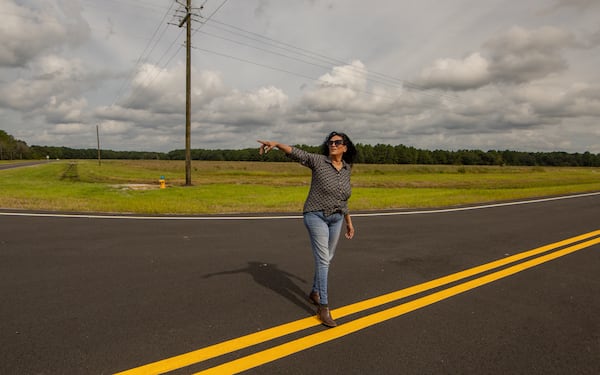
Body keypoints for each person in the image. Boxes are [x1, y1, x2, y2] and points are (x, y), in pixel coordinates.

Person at [257, 132, 357, 327]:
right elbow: (297, 153)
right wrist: (277, 144)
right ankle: (324, 307)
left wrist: (348, 221)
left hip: (336, 219)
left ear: (345, 147)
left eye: (338, 142)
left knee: (327, 258)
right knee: (323, 260)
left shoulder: (346, 170)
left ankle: (314, 292)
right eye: (330, 142)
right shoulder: (319, 161)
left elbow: (343, 199)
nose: (333, 144)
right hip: (315, 215)